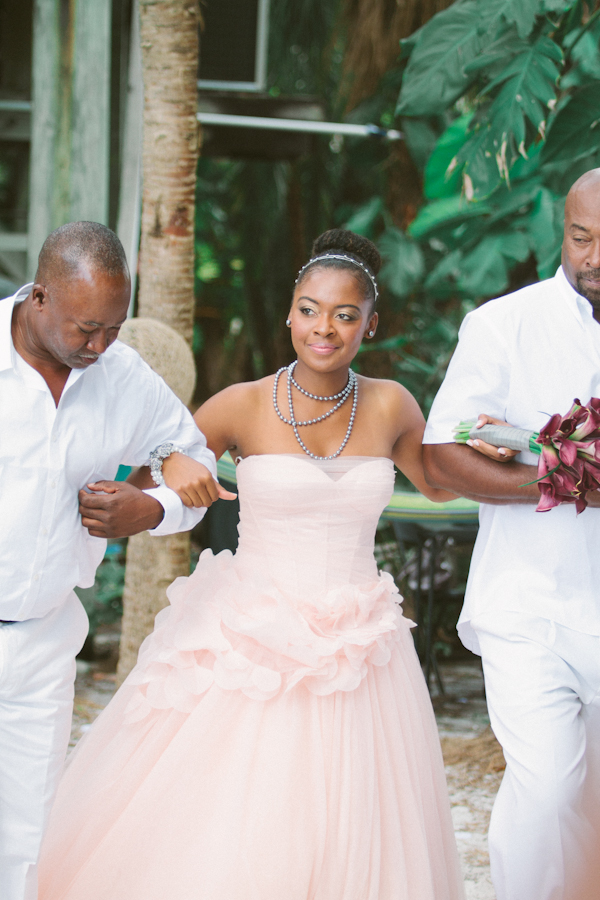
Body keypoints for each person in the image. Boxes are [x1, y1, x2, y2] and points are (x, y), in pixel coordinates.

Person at [38, 230, 466, 900]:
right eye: (309, 309)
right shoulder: (241, 402)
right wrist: (148, 490)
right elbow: (162, 465)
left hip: (360, 641)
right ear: (289, 313)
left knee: (354, 812)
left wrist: (510, 448)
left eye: (345, 315)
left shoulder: (392, 405)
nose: (323, 327)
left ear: (370, 324)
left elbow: (439, 481)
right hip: (253, 632)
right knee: (240, 808)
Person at [0, 221, 224, 900]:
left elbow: (197, 463)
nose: (99, 345)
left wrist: (149, 509)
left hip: (43, 634)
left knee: (28, 837)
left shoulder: (123, 377)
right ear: (39, 297)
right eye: (84, 329)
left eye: (113, 328)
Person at [422, 168, 600, 900]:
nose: (592, 256)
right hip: (532, 608)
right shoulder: (504, 324)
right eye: (581, 237)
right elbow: (444, 451)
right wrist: (564, 476)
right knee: (548, 789)